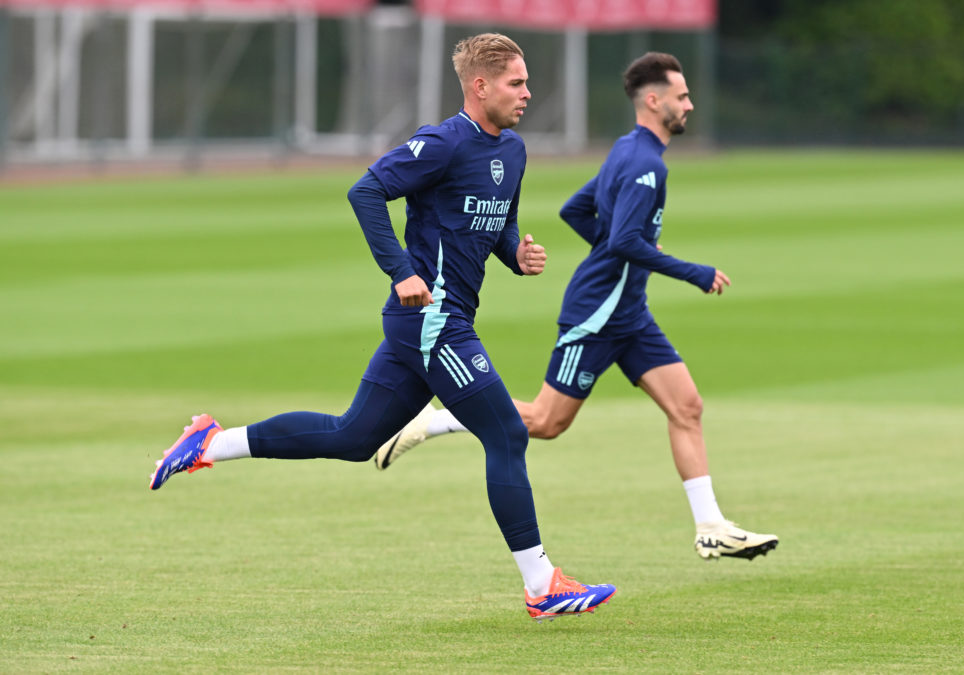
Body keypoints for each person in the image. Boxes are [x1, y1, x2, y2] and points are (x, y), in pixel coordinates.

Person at [148, 33, 616, 621]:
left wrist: (513, 254)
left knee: (352, 437)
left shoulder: (513, 151)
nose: (528, 92)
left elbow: (495, 219)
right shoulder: (442, 143)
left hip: (430, 325)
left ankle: (211, 442)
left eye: (525, 82)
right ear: (480, 86)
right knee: (507, 435)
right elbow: (365, 190)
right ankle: (542, 584)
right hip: (432, 323)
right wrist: (401, 271)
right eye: (516, 83)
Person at [374, 52, 778, 562]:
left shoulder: (629, 151)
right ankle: (436, 419)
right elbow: (627, 240)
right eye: (681, 97)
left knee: (687, 406)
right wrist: (691, 273)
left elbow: (576, 211)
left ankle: (711, 526)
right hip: (599, 313)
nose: (689, 105)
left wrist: (612, 254)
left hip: (630, 311)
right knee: (545, 422)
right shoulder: (644, 164)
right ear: (653, 102)